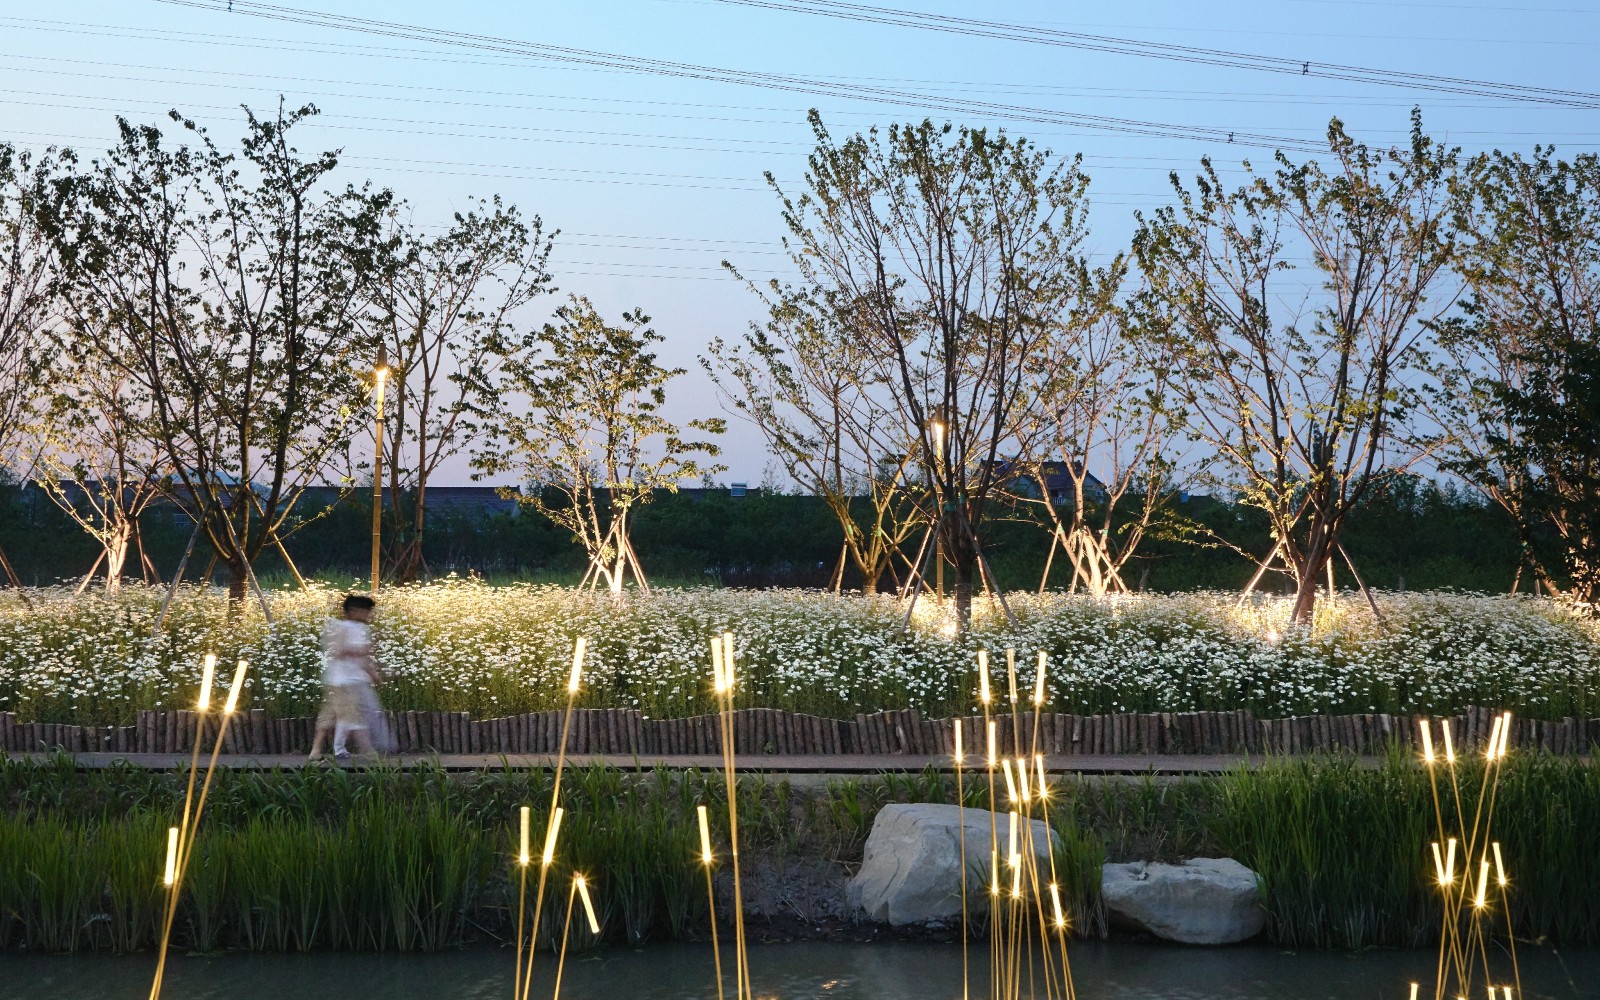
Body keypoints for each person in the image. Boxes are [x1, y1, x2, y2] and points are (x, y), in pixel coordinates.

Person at [308, 594, 388, 761]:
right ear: (353, 611)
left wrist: (374, 675)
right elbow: (338, 650)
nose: (368, 615)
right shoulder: (343, 627)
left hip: (347, 679)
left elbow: (363, 659)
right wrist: (362, 652)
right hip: (343, 680)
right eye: (366, 611)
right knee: (353, 716)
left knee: (331, 715)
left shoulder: (361, 629)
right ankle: (367, 751)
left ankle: (317, 751)